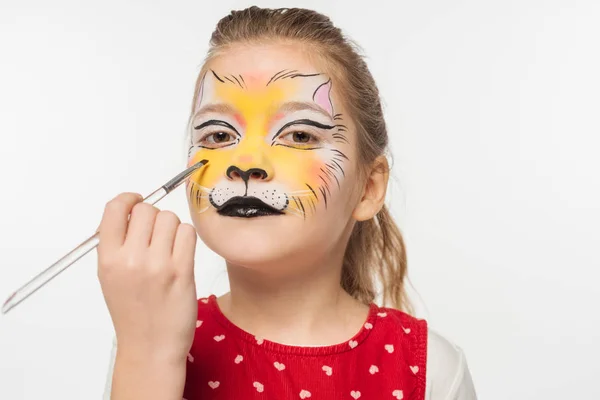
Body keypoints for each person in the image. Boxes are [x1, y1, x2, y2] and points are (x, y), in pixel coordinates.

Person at [99, 6, 477, 400]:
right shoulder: (150, 335)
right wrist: (149, 358)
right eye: (218, 135)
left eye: (298, 135)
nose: (245, 165)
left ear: (368, 188)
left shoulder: (432, 367)